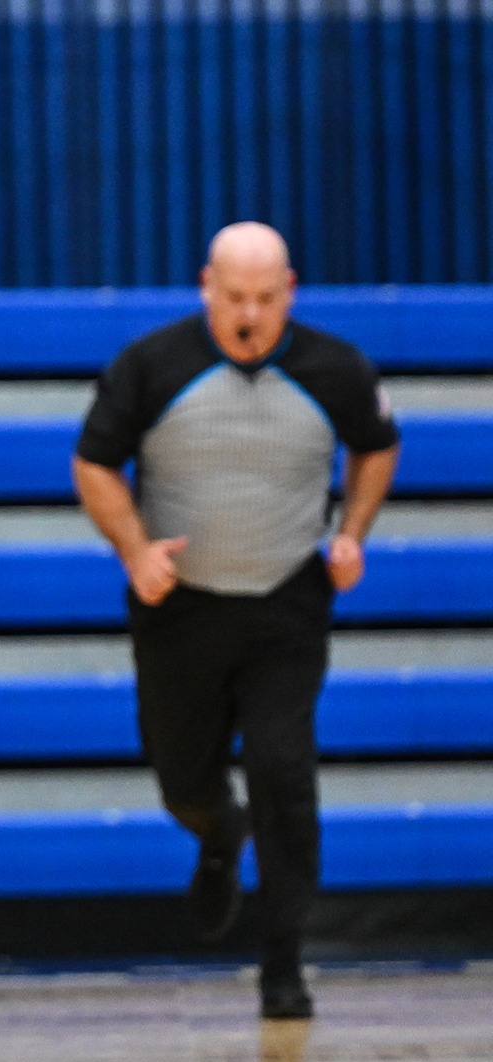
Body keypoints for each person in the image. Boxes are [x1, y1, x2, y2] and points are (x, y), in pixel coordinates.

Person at [73, 222, 401, 1020]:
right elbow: (93, 463)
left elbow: (377, 445)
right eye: (234, 299)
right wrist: (135, 549)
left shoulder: (337, 368)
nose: (249, 316)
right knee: (181, 774)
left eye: (265, 298)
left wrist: (353, 530)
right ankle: (219, 833)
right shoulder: (153, 365)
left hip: (287, 604)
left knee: (285, 774)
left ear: (289, 289)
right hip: (179, 608)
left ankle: (283, 962)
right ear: (205, 287)